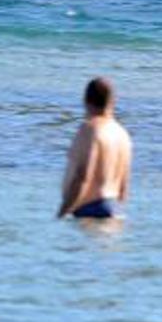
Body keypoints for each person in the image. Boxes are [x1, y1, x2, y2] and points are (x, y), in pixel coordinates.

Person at [57, 77, 132, 220]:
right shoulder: (122, 134)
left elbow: (83, 175)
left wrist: (62, 213)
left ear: (85, 100)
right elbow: (124, 185)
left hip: (91, 210)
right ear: (112, 102)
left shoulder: (90, 129)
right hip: (116, 210)